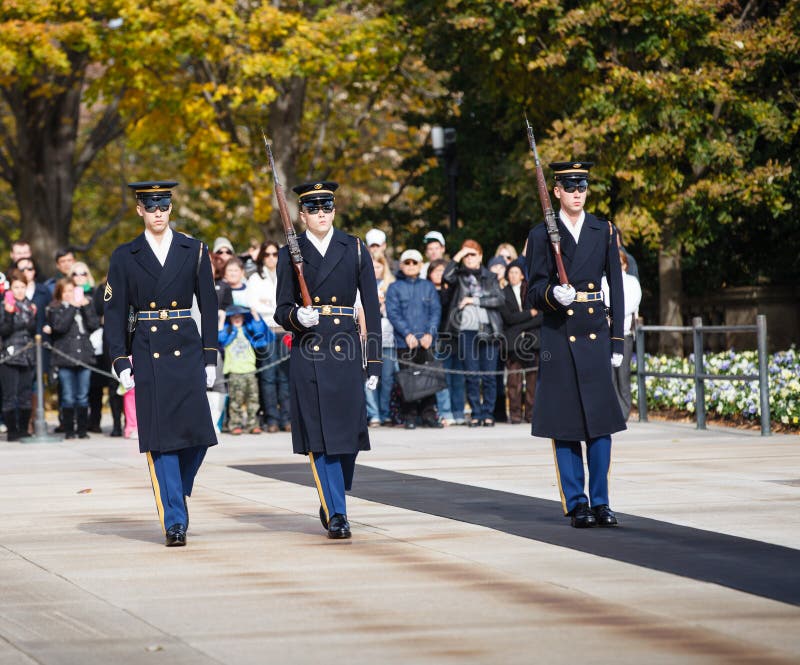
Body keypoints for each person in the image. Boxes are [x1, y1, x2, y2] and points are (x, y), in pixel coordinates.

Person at [104, 180, 219, 547]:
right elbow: (114, 313)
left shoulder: (194, 249)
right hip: (148, 351)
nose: (158, 213)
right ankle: (174, 520)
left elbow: (210, 307)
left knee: (199, 436)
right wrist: (120, 359)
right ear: (140, 209)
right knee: (162, 442)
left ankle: (176, 492)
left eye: (163, 206)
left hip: (185, 349)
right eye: (151, 206)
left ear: (171, 208)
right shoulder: (126, 255)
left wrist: (210, 355)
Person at [274, 180, 381, 539]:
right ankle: (337, 512)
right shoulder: (290, 250)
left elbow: (371, 306)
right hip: (310, 349)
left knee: (347, 439)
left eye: (327, 208)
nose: (321, 215)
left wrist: (375, 359)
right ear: (302, 214)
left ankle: (331, 493)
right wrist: (295, 318)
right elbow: (281, 307)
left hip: (346, 348)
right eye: (314, 209)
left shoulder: (354, 248)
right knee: (321, 437)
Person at [524, 160, 626, 529]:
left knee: (600, 425)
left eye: (582, 186)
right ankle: (577, 502)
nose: (577, 193)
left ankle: (601, 501)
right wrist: (553, 294)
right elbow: (530, 292)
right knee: (565, 426)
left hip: (596, 330)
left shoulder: (604, 229)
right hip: (559, 334)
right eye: (570, 187)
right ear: (557, 192)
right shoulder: (540, 235)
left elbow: (616, 284)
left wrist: (617, 342)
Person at [442, 239, 505, 427]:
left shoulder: (490, 276)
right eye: (466, 255)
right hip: (466, 330)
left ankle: (488, 413)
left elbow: (499, 299)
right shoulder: (459, 276)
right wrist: (459, 255)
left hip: (489, 329)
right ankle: (476, 413)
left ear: (481, 256)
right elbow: (446, 277)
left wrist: (473, 300)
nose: (469, 258)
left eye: (473, 254)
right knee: (471, 374)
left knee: (489, 375)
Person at [385, 249, 442, 429]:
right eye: (407, 263)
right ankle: (409, 416)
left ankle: (428, 416)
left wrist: (430, 334)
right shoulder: (395, 287)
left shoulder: (428, 286)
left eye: (414, 263)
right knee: (407, 380)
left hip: (426, 341)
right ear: (401, 265)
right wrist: (407, 333)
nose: (411, 266)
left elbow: (435, 311)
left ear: (420, 265)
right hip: (405, 342)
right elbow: (393, 313)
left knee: (428, 379)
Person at [47, 278, 100, 439]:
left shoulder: (83, 306)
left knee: (83, 396)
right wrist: (72, 307)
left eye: (73, 291)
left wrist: (86, 307)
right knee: (68, 396)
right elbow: (60, 327)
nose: (70, 294)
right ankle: (69, 430)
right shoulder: (54, 309)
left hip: (84, 357)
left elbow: (94, 325)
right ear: (60, 293)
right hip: (65, 358)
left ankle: (82, 430)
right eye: (66, 291)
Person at [247, 240, 291, 433]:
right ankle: (271, 418)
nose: (272, 258)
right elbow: (254, 305)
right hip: (265, 333)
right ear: (262, 257)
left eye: (275, 254)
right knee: (268, 377)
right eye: (268, 254)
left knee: (285, 377)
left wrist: (269, 306)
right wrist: (271, 307)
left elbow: (289, 303)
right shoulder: (255, 278)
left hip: (285, 331)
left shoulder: (286, 275)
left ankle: (287, 419)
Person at [218, 304, 272, 435]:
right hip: (234, 371)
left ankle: (252, 424)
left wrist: (254, 315)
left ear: (243, 317)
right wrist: (221, 319)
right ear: (230, 319)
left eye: (239, 316)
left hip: (250, 370)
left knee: (253, 399)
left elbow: (260, 332)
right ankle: (235, 424)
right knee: (235, 400)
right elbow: (220, 338)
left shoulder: (248, 329)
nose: (237, 318)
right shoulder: (228, 330)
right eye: (234, 317)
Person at [602, 249, 642, 420]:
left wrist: (614, 314)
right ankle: (612, 411)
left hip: (624, 332)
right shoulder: (603, 281)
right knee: (609, 376)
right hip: (606, 334)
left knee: (623, 375)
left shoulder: (632, 282)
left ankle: (624, 411)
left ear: (625, 265)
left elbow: (631, 304)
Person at [501, 262, 542, 424]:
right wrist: (529, 314)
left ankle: (531, 413)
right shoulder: (503, 293)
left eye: (516, 272)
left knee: (533, 380)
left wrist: (520, 324)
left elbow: (540, 316)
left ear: (522, 275)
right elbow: (508, 318)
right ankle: (515, 413)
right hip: (513, 343)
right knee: (514, 381)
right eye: (510, 273)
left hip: (532, 341)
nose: (513, 275)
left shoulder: (531, 292)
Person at [0, 269, 37, 441]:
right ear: (10, 288)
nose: (20, 290)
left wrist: (32, 314)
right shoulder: (3, 306)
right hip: (9, 355)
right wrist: (8, 313)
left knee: (25, 395)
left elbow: (32, 330)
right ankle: (12, 431)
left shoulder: (30, 306)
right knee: (10, 395)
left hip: (27, 354)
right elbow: (4, 331)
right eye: (16, 287)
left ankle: (23, 430)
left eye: (23, 286)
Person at [365, 253, 396, 427]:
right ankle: (374, 413)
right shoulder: (362, 284)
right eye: (373, 266)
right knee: (369, 378)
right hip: (369, 337)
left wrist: (385, 306)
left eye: (378, 266)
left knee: (387, 378)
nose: (375, 270)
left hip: (388, 337)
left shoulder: (391, 286)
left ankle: (385, 412)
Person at [426, 257, 456, 426]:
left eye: (442, 271)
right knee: (437, 378)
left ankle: (452, 411)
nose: (439, 274)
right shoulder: (426, 289)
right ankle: (442, 412)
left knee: (453, 378)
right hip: (432, 338)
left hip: (450, 338)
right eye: (436, 271)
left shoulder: (451, 290)